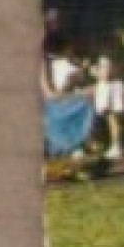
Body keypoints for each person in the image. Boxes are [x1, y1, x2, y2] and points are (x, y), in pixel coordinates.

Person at [41, 31, 96, 160]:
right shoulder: (61, 66)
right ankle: (75, 145)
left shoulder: (62, 65)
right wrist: (80, 91)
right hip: (55, 105)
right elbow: (52, 95)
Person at [92, 40, 124, 160]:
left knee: (113, 120)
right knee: (116, 120)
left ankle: (116, 146)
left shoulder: (106, 59)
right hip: (114, 88)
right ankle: (120, 144)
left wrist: (94, 72)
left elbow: (106, 75)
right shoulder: (119, 60)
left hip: (110, 90)